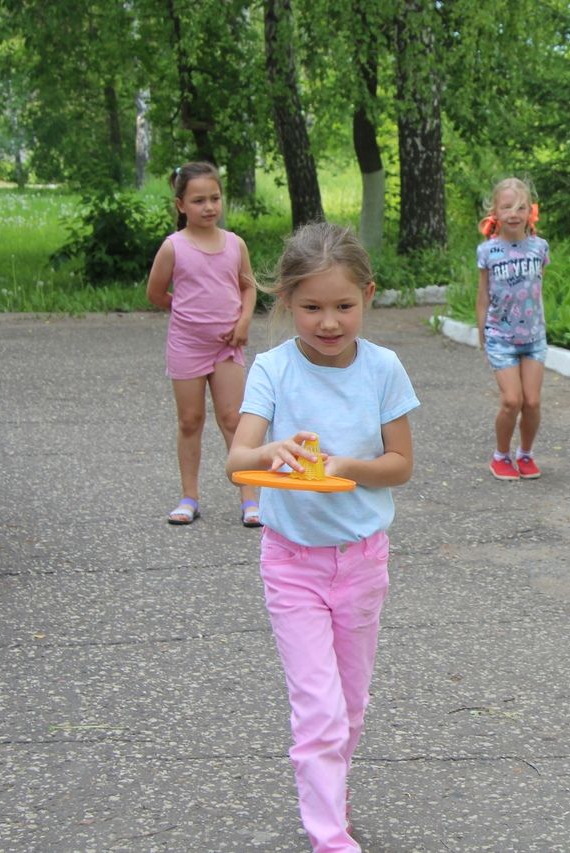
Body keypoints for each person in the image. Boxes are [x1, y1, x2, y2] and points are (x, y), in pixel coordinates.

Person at [226, 222, 418, 852]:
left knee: (350, 708)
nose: (329, 322)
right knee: (319, 711)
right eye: (311, 307)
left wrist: (346, 467)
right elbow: (237, 459)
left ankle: (332, 793)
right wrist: (272, 449)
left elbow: (400, 465)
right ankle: (328, 838)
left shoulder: (384, 368)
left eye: (344, 306)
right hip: (292, 564)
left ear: (367, 295)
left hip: (363, 561)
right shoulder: (273, 369)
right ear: (286, 301)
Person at [146, 162, 260, 526]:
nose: (209, 207)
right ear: (181, 205)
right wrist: (187, 317)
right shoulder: (173, 247)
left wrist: (242, 322)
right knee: (190, 420)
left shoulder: (235, 244)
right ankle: (188, 498)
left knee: (233, 419)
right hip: (187, 346)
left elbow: (247, 287)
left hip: (229, 345)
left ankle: (249, 499)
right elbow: (156, 293)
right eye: (198, 200)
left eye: (215, 198)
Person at [475, 177, 549, 481]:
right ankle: (501, 455)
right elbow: (482, 297)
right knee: (511, 400)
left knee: (531, 402)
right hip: (500, 337)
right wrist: (482, 333)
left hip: (533, 338)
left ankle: (526, 454)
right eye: (506, 207)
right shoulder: (488, 252)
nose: (514, 213)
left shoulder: (540, 248)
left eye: (520, 207)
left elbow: (538, 289)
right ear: (495, 211)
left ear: (530, 211)